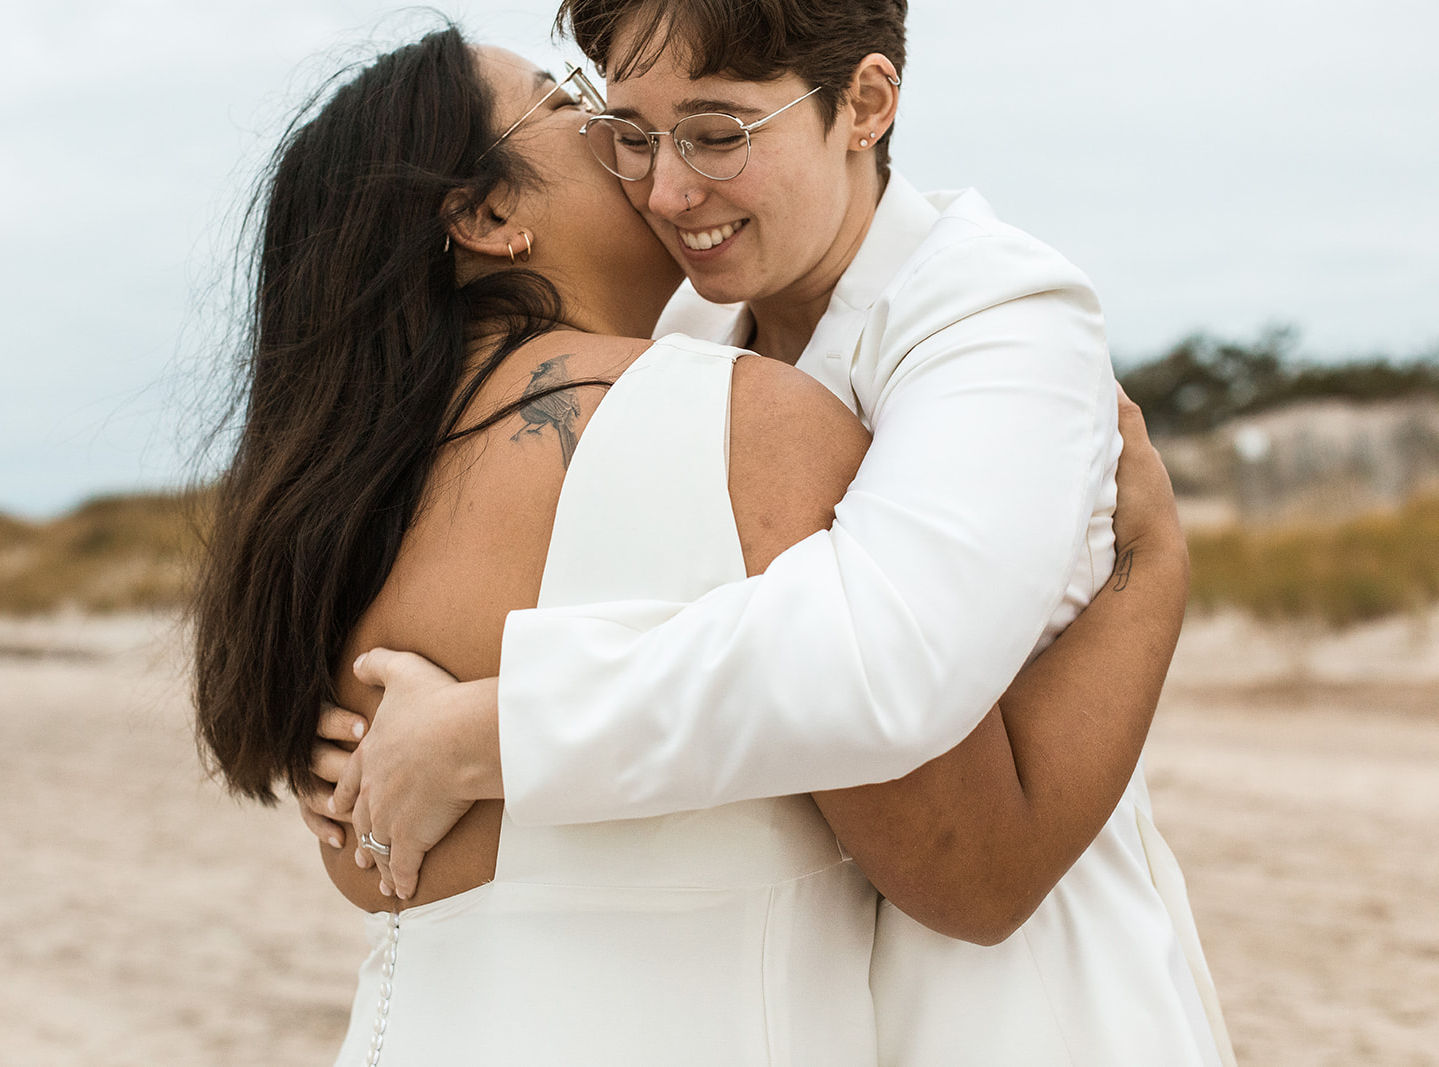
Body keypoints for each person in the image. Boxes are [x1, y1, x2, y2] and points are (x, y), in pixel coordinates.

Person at [196, 22, 1203, 1067]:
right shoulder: (715, 391)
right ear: (489, 213)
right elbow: (967, 852)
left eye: (716, 133)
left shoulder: (990, 309)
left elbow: (880, 661)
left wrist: (470, 734)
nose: (662, 188)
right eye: (614, 128)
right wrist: (1153, 571)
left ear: (863, 105)